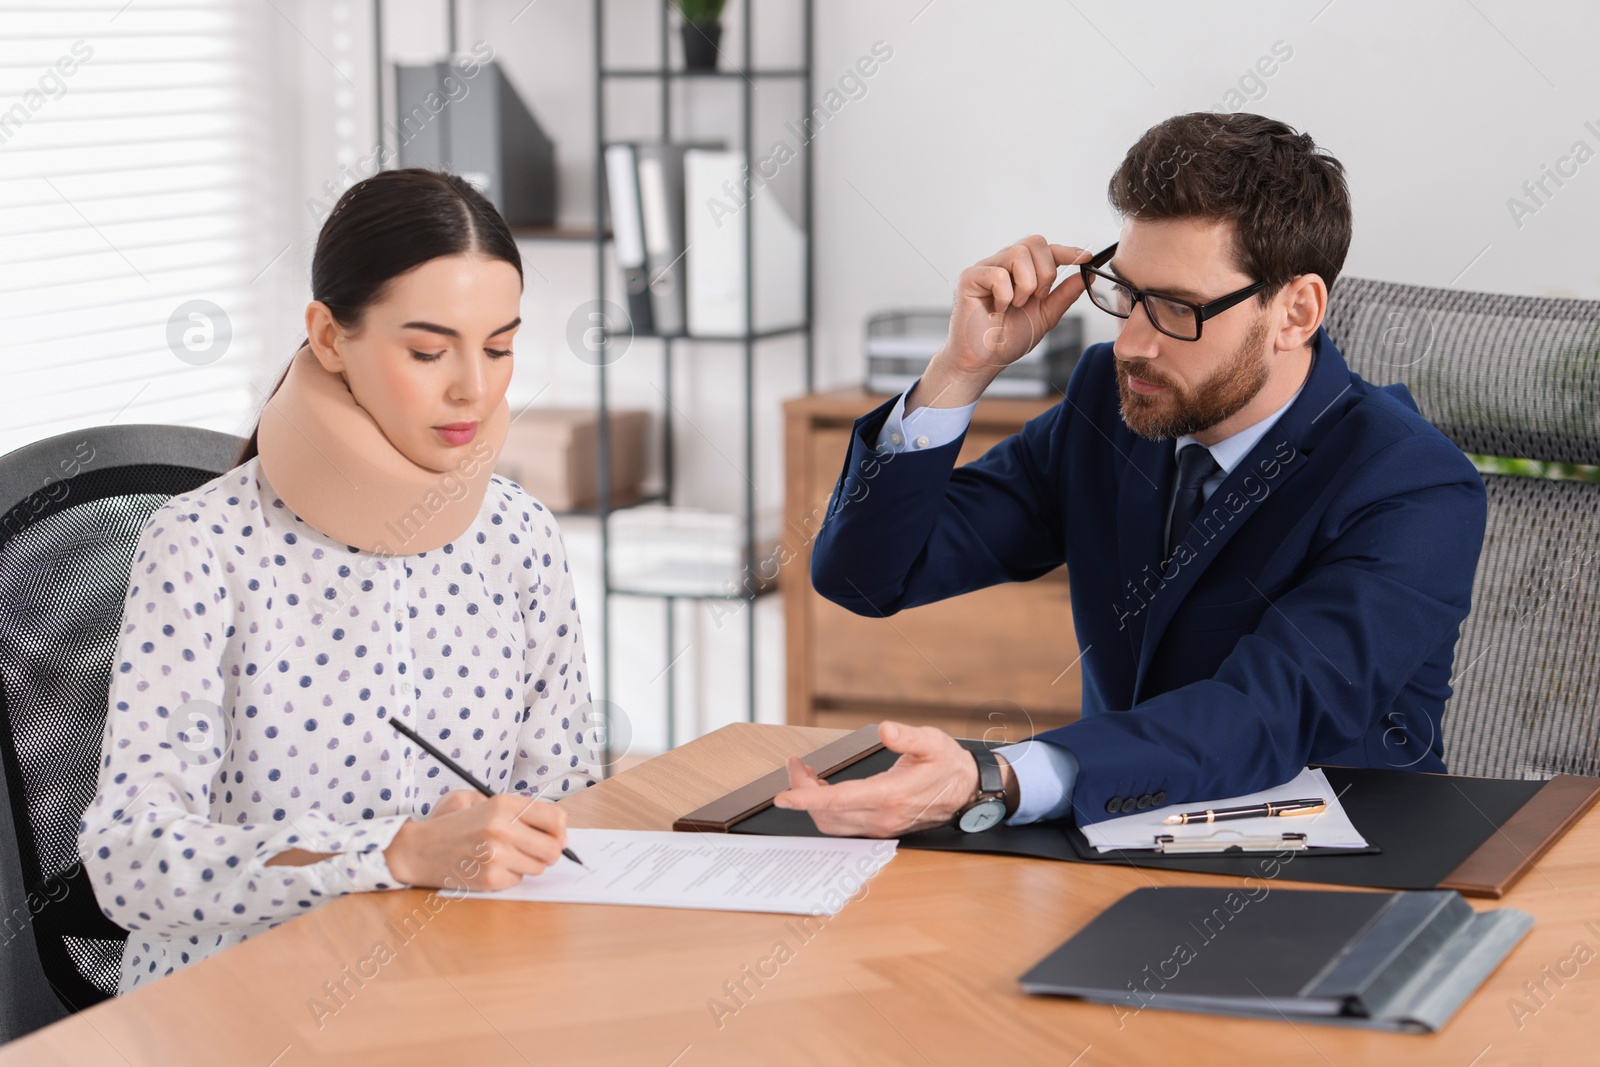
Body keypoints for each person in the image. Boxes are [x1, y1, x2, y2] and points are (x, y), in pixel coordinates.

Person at [773, 112, 1488, 838]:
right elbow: (865, 575)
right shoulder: (1110, 405)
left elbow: (1263, 712)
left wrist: (1001, 774)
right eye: (1126, 293)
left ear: (1296, 311)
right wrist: (958, 373)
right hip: (1113, 842)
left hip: (1331, 886)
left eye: (1179, 307)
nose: (1133, 343)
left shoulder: (1413, 485)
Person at [79, 169, 596, 992]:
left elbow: (565, 799)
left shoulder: (520, 534)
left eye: (499, 347)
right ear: (327, 337)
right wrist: (390, 853)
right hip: (237, 1000)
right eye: (428, 350)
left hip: (460, 981)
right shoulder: (202, 544)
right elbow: (130, 861)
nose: (475, 386)